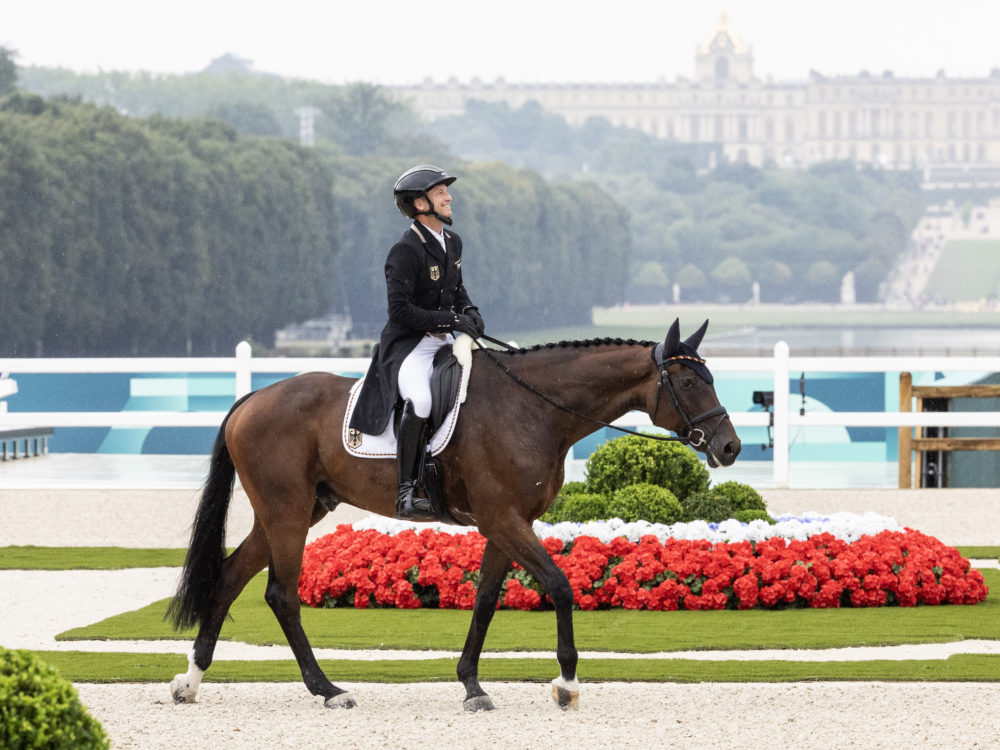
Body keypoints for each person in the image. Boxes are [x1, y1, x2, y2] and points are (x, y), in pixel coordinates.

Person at [349, 165, 485, 520]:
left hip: (443, 342)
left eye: (445, 192)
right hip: (408, 346)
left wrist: (469, 312)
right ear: (421, 204)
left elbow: (457, 291)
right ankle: (407, 491)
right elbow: (400, 312)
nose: (449, 197)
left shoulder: (453, 242)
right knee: (421, 399)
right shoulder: (404, 250)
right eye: (441, 193)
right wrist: (451, 320)